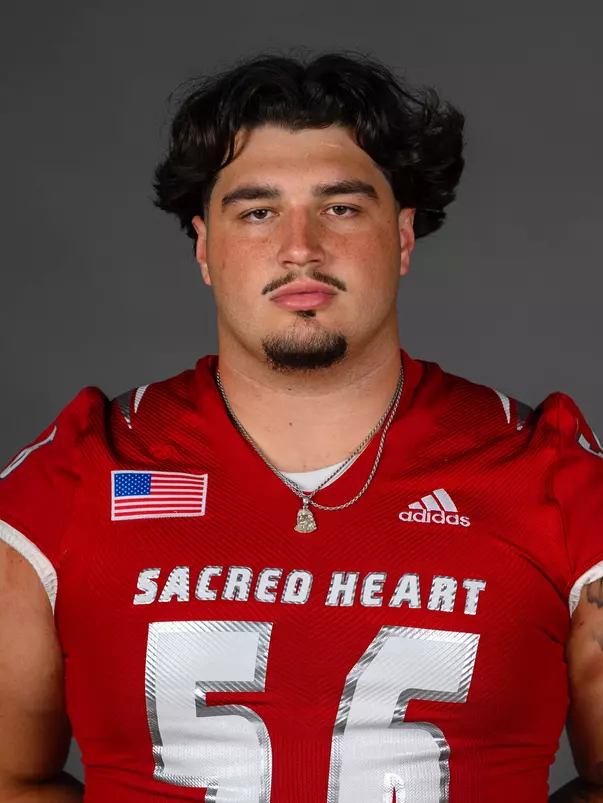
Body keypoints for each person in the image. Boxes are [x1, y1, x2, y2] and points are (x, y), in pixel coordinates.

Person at [0, 51, 601, 803]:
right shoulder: (74, 474)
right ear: (204, 247)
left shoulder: (552, 476)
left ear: (403, 236)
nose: (299, 248)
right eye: (257, 212)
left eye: (341, 207)